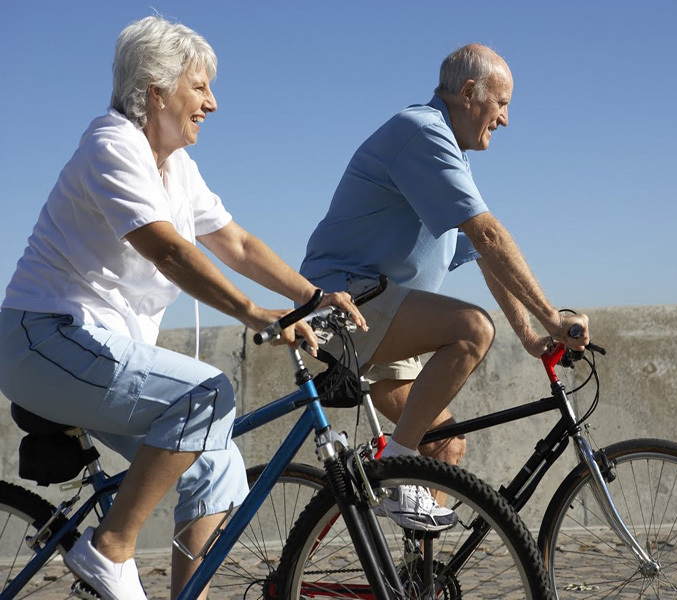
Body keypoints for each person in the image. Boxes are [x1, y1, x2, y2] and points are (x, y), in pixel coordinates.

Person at [0, 16, 363, 600]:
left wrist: (309, 296)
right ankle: (110, 549)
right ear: (157, 91)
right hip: (44, 337)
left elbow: (237, 243)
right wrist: (256, 314)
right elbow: (167, 249)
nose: (212, 104)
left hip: (98, 353)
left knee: (216, 468)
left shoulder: (177, 168)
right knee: (206, 393)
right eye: (200, 87)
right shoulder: (111, 144)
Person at [300, 43, 589, 530]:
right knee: (472, 329)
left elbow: (482, 257)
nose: (505, 119)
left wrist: (530, 336)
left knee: (445, 445)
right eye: (502, 104)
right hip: (344, 305)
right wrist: (552, 316)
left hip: (382, 313)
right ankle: (394, 470)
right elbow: (489, 234)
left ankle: (416, 579)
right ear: (470, 93)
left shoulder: (446, 152)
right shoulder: (422, 133)